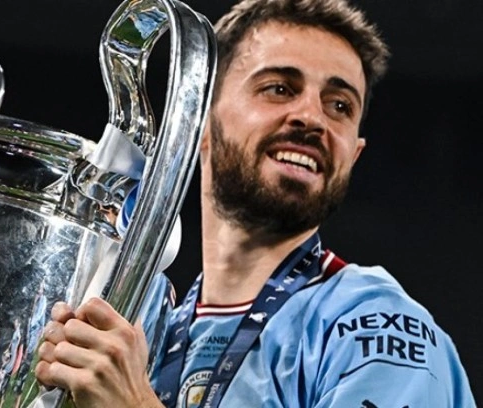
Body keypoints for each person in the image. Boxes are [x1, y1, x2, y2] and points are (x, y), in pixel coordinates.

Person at [33, 0, 476, 407]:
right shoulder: (146, 334)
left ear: (353, 154)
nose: (312, 117)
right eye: (279, 88)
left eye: (340, 105)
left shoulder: (377, 326)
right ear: (201, 123)